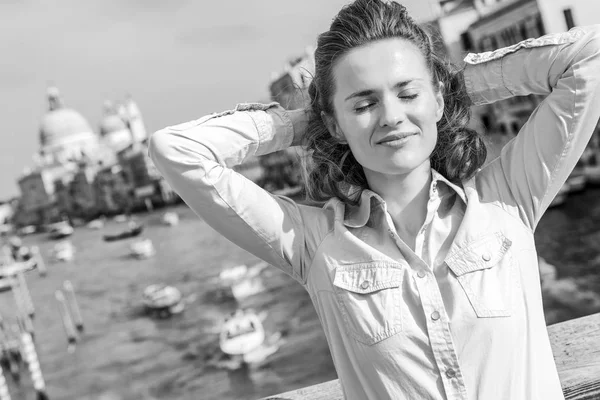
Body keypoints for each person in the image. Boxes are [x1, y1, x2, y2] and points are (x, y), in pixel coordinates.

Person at [148, 0, 600, 398]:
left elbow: (589, 57)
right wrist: (303, 124)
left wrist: (455, 86)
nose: (391, 117)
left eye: (407, 93)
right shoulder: (315, 244)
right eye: (363, 105)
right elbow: (177, 150)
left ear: (437, 101)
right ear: (335, 123)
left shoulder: (507, 199)